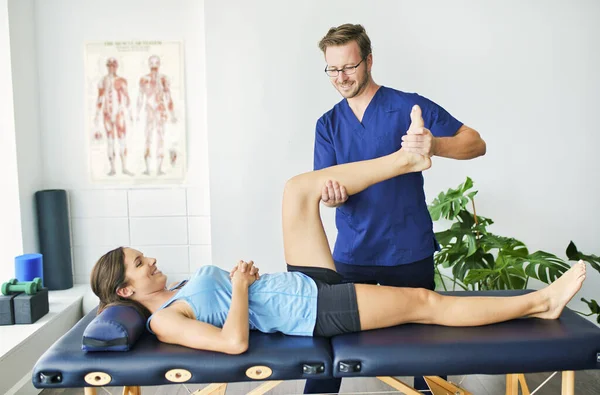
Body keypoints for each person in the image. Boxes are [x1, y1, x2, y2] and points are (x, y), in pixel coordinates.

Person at [90, 116, 586, 357]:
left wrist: (246, 282)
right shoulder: (164, 323)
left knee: (297, 191)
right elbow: (234, 343)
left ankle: (406, 159)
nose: (149, 259)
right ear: (125, 290)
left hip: (298, 286)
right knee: (422, 301)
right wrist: (239, 287)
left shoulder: (176, 292)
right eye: (138, 263)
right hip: (310, 312)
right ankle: (538, 304)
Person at [310, 23, 487, 392]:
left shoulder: (407, 107)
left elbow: (475, 142)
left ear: (369, 61)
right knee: (328, 351)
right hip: (352, 253)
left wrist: (433, 145)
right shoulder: (327, 125)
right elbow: (324, 184)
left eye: (349, 66)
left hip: (407, 250)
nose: (341, 77)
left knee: (426, 352)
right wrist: (330, 195)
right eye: (333, 69)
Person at [136, 55, 178, 176]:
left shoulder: (164, 79)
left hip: (160, 111)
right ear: (149, 64)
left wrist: (172, 114)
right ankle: (148, 169)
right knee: (148, 138)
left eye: (156, 63)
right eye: (152, 63)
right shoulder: (144, 79)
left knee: (160, 138)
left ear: (159, 64)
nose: (154, 65)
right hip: (149, 111)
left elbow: (168, 97)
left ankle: (159, 169)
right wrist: (137, 113)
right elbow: (140, 97)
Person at [93, 57, 135, 177]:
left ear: (116, 67)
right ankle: (112, 168)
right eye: (109, 66)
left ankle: (124, 167)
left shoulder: (121, 81)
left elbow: (127, 97)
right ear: (107, 67)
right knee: (110, 141)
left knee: (122, 140)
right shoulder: (102, 81)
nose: (111, 68)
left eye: (113, 66)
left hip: (119, 114)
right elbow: (100, 98)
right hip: (107, 113)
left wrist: (130, 113)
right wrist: (96, 114)